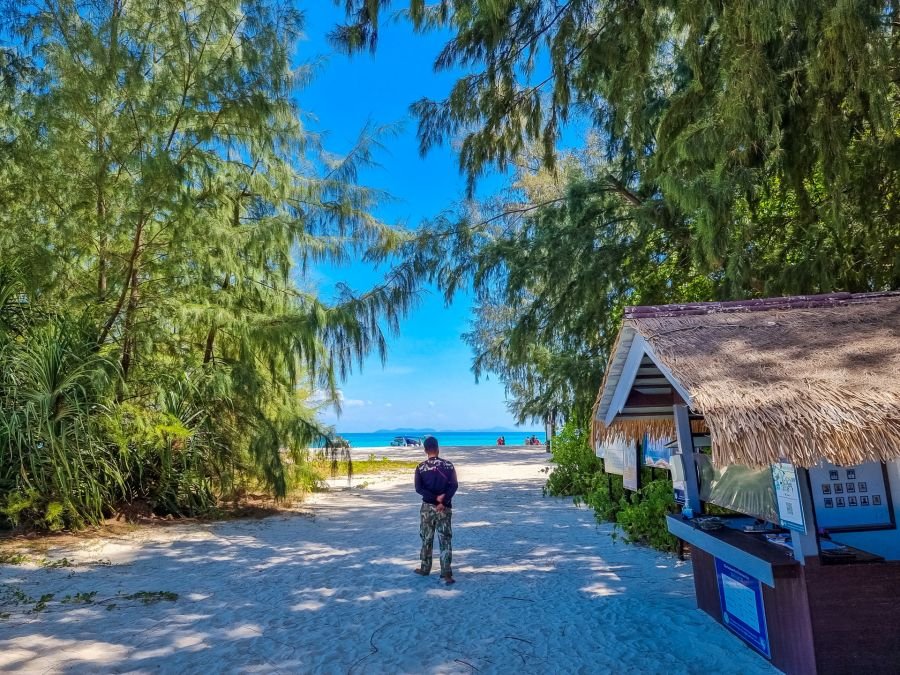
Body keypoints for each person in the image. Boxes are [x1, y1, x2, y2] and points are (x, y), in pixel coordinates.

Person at [413, 436, 458, 584]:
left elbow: (419, 489)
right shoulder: (449, 466)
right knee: (445, 539)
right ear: (438, 448)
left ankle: (425, 568)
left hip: (427, 508)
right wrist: (442, 500)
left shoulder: (420, 467)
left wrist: (433, 499)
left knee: (426, 538)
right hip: (444, 507)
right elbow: (454, 486)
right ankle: (446, 573)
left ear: (425, 450)